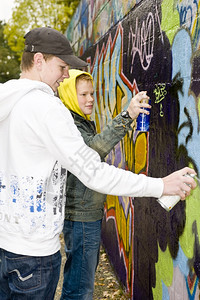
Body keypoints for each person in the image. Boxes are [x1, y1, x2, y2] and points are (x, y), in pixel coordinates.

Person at [0, 27, 196, 300]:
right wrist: (161, 185)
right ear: (39, 60)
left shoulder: (8, 101)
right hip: (33, 256)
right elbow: (92, 171)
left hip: (6, 244)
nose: (66, 75)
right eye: (62, 66)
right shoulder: (45, 107)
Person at [58, 69, 153, 299]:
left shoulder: (77, 119)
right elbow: (92, 150)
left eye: (92, 93)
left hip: (84, 213)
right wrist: (127, 115)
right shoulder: (72, 123)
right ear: (70, 94)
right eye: (83, 94)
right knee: (80, 289)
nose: (90, 99)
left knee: (80, 283)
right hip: (81, 216)